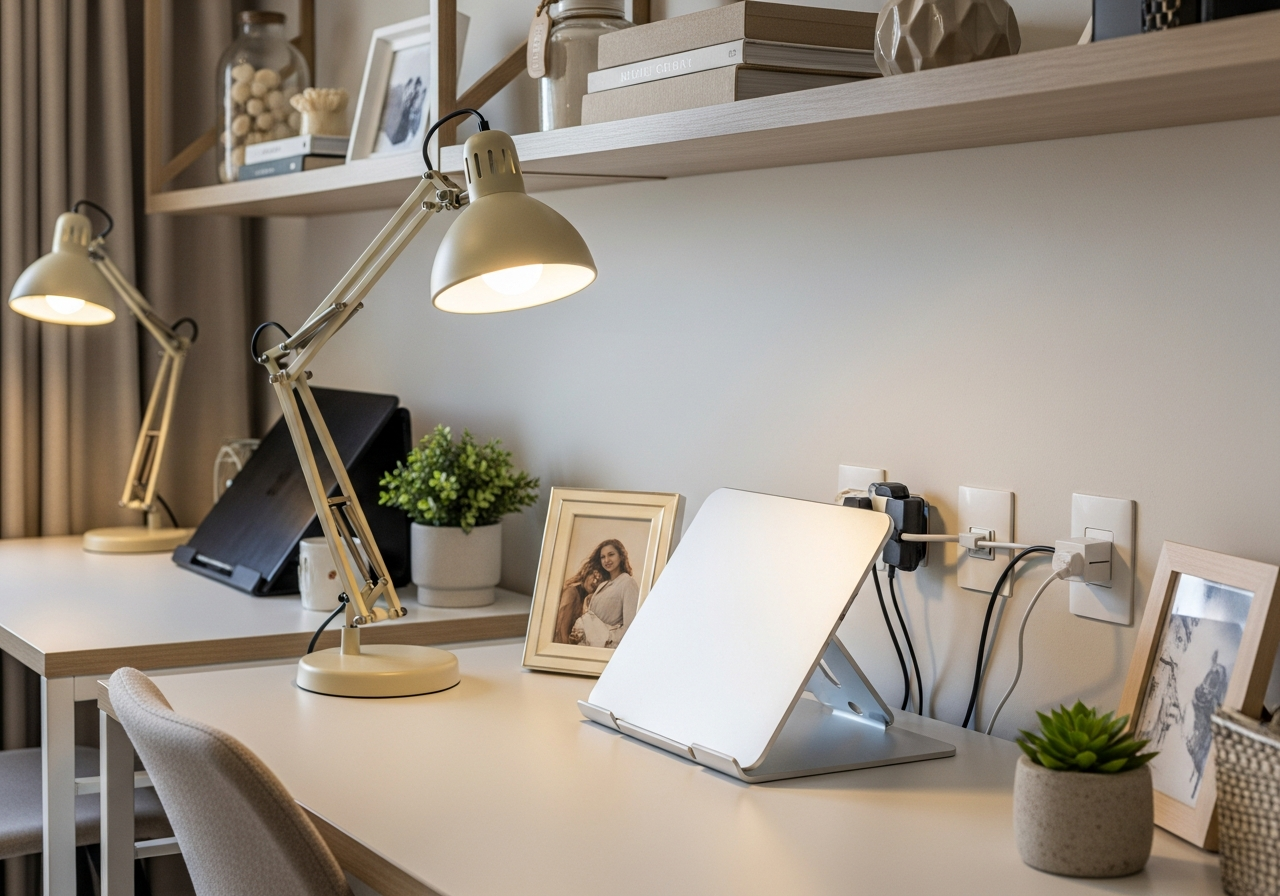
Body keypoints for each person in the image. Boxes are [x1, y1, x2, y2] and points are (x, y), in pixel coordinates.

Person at [572, 539, 639, 649]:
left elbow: (631, 625)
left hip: (604, 647)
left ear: (621, 556)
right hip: (586, 646)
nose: (606, 560)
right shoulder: (603, 585)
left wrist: (608, 639)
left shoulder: (628, 583)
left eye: (611, 555)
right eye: (603, 557)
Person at [553, 560, 603, 644]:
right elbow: (561, 631)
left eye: (599, 580)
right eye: (594, 576)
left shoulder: (587, 599)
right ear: (587, 572)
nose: (595, 582)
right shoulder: (571, 592)